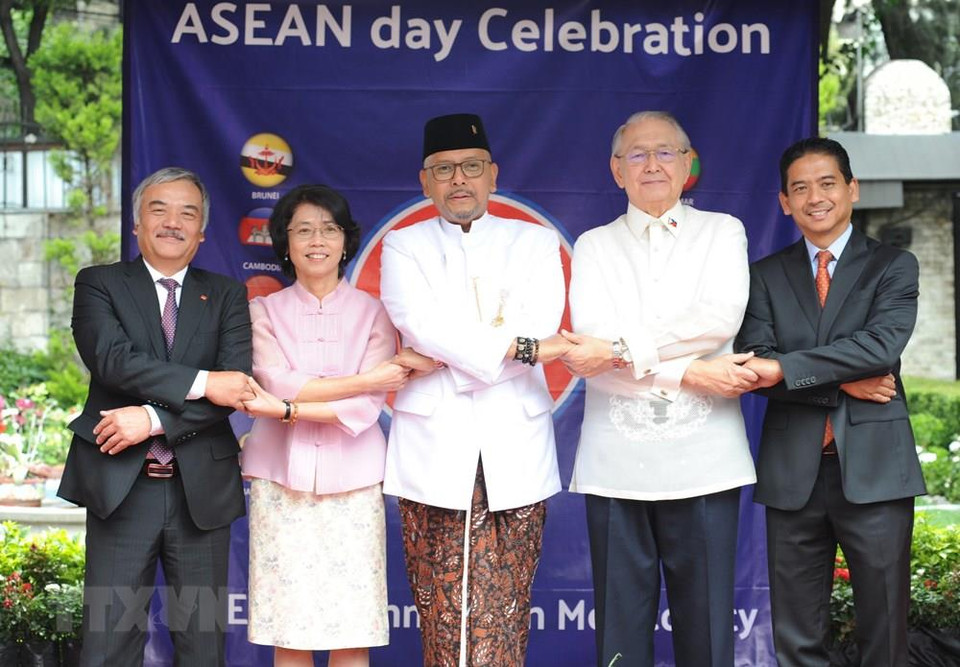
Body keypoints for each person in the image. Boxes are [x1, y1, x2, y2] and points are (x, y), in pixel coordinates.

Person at [562, 111, 758, 667]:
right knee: (620, 634)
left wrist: (623, 349)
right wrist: (692, 372)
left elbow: (717, 319)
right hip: (615, 459)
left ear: (688, 164)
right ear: (616, 170)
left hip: (706, 456)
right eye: (638, 154)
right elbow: (590, 351)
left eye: (666, 152)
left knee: (708, 632)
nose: (652, 164)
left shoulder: (723, 231)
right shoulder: (594, 245)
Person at [378, 112, 570, 666]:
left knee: (506, 603)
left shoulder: (534, 242)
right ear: (425, 181)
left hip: (516, 439)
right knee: (441, 604)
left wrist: (445, 357)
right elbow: (418, 321)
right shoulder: (403, 245)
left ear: (492, 174)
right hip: (433, 444)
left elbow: (542, 323)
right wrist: (512, 347)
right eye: (443, 169)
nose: (457, 179)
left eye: (470, 167)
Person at [735, 137, 925, 667]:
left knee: (884, 632)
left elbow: (880, 347)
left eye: (827, 183)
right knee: (798, 635)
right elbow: (754, 367)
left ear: (851, 189)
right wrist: (842, 383)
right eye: (800, 187)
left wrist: (787, 366)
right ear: (784, 202)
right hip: (793, 472)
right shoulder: (765, 276)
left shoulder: (893, 265)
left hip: (875, 470)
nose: (814, 196)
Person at [59, 167, 254, 666]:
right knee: (110, 642)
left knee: (202, 645)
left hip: (200, 492)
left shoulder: (228, 294)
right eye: (159, 209)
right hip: (122, 485)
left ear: (203, 230)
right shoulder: (99, 283)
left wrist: (151, 419)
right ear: (137, 224)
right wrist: (205, 382)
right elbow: (114, 361)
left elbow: (236, 385)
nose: (173, 222)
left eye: (187, 212)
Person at [239, 184, 407, 667]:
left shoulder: (374, 312)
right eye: (304, 230)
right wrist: (360, 380)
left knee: (350, 627)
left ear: (346, 241)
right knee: (288, 628)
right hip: (279, 482)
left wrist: (291, 408)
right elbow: (274, 380)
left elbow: (365, 407)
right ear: (285, 243)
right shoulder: (263, 310)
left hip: (354, 485)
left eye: (329, 229)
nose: (318, 240)